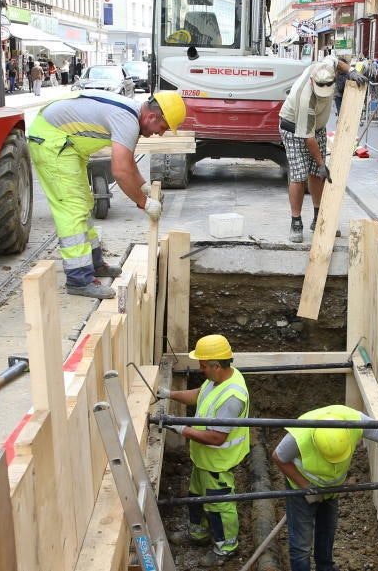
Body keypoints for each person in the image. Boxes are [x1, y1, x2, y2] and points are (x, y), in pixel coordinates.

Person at [28, 90, 186, 298]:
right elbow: (120, 171)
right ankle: (78, 279)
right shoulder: (127, 121)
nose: (160, 133)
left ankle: (94, 264)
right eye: (163, 128)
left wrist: (143, 187)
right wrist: (143, 203)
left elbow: (128, 162)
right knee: (72, 209)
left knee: (84, 203)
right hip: (51, 141)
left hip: (66, 144)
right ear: (152, 117)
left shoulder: (132, 116)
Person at [271, 405, 378, 571]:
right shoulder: (299, 436)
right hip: (302, 490)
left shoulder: (354, 422)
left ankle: (325, 567)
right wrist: (307, 487)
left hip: (333, 488)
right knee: (301, 544)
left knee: (327, 531)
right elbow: (278, 457)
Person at [158, 335, 251, 566]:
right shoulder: (217, 380)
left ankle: (226, 547)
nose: (200, 369)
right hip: (203, 458)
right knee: (196, 496)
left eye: (202, 365)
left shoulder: (233, 397)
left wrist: (182, 429)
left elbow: (217, 438)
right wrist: (169, 394)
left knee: (219, 505)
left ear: (216, 366)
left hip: (218, 462)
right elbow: (199, 394)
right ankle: (198, 533)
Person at [279, 56, 367, 243]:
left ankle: (319, 218)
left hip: (316, 127)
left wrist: (350, 71)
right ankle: (296, 221)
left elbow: (336, 61)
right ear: (312, 81)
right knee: (299, 175)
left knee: (317, 175)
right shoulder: (305, 99)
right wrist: (321, 163)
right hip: (293, 127)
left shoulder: (326, 68)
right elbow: (308, 138)